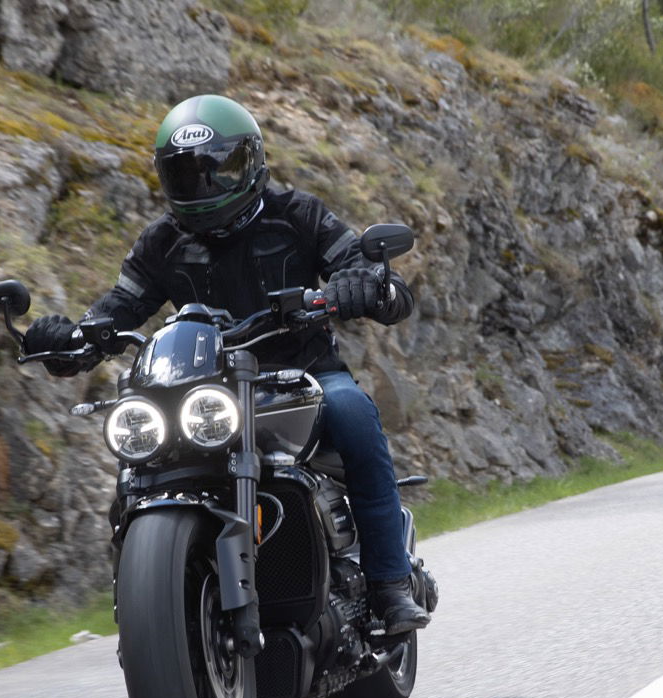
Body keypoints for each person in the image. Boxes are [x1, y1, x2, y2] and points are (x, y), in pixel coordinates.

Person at [23, 94, 429, 634]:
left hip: (300, 378)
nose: (204, 185)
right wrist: (71, 339)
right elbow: (117, 309)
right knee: (136, 469)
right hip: (202, 390)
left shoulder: (298, 216)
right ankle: (153, 615)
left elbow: (370, 274)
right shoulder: (162, 242)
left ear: (251, 162)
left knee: (352, 410)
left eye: (217, 170)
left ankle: (389, 583)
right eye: (187, 175)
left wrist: (368, 284)